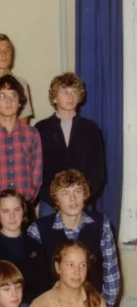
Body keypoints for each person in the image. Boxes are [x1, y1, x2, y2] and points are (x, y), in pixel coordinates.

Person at [27, 170, 120, 307]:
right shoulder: (38, 230)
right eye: (65, 193)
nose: (73, 199)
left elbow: (111, 276)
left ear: (85, 194)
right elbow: (32, 279)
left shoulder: (102, 225)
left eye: (77, 191)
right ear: (56, 199)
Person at [35, 73, 105, 217]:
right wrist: (52, 198)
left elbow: (98, 170)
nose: (70, 96)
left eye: (74, 92)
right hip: (50, 203)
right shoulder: (41, 129)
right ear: (54, 98)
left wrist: (85, 196)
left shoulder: (90, 128)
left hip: (81, 201)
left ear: (79, 97)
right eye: (65, 92)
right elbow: (36, 169)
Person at [0, 74, 42, 203]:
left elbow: (37, 172)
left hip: (23, 205)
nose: (8, 101)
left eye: (13, 95)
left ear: (19, 102)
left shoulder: (32, 134)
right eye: (2, 96)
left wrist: (27, 200)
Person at [0, 190, 50, 303]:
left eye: (17, 210)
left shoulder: (35, 246)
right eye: (5, 211)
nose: (12, 216)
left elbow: (45, 286)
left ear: (24, 211)